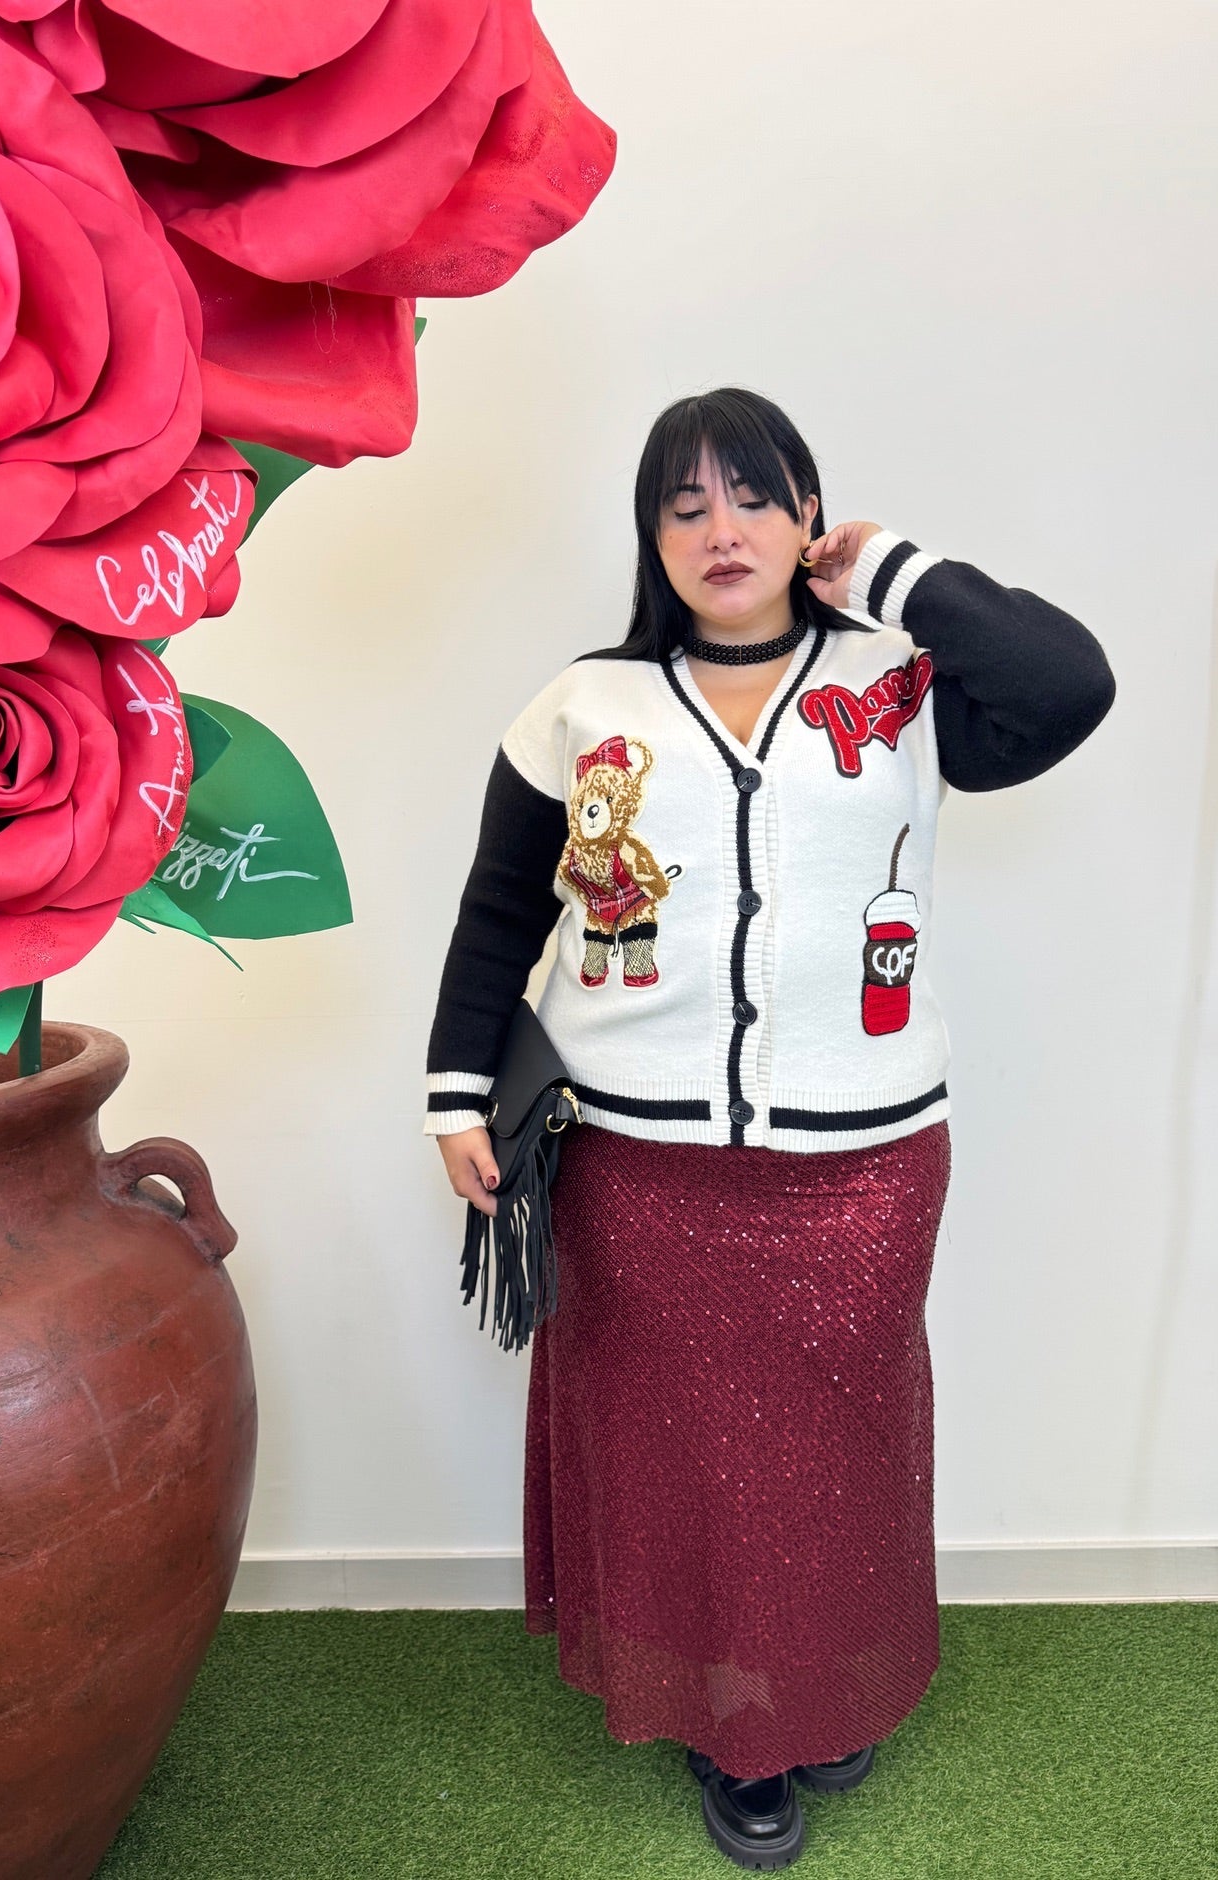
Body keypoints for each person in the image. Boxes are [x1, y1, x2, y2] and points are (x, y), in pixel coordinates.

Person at [425, 387, 1114, 1870]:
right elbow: (500, 911)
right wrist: (455, 1090)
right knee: (681, 1460)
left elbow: (1070, 686)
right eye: (684, 507)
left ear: (808, 512)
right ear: (650, 539)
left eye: (753, 496)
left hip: (865, 1157)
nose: (721, 530)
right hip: (636, 1161)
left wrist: (893, 572)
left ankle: (823, 1689)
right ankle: (732, 1732)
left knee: (842, 1442)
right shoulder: (583, 705)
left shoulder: (903, 683)